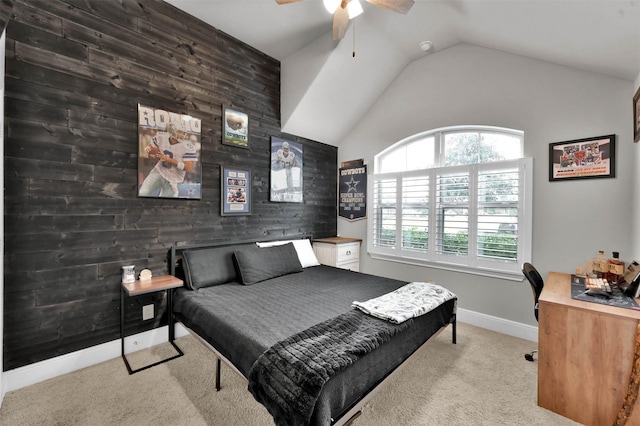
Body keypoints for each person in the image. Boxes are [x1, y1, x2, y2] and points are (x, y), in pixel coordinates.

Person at [139, 122, 198, 197]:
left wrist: (169, 160)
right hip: (158, 171)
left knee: (164, 203)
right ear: (172, 131)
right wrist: (149, 148)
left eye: (183, 133)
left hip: (174, 180)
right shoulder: (161, 137)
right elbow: (152, 147)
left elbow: (188, 167)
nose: (183, 135)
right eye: (180, 132)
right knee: (143, 193)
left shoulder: (187, 147)